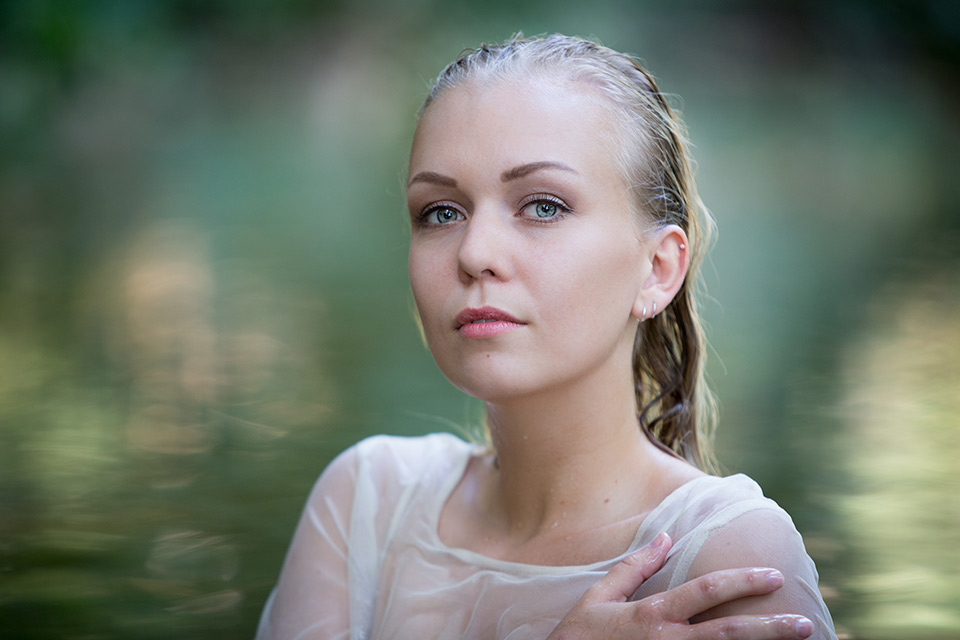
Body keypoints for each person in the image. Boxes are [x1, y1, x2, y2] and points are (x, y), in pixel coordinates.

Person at [256, 34, 836, 639]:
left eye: (543, 206)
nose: (476, 253)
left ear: (658, 269)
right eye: (441, 212)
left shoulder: (726, 553)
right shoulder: (366, 505)